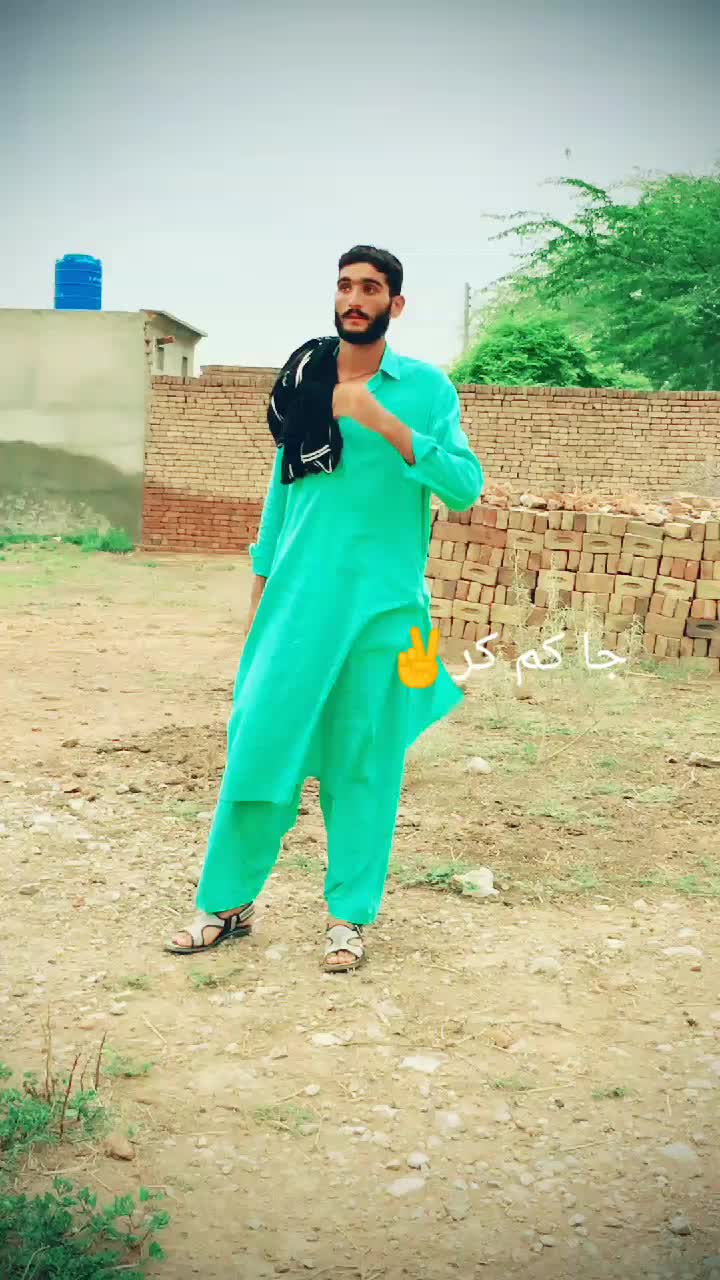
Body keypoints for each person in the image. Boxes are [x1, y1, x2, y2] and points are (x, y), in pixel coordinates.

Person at [165, 245, 484, 973]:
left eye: (370, 288)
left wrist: (381, 420)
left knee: (365, 766)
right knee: (258, 748)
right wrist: (259, 597)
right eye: (345, 286)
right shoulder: (306, 380)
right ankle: (226, 905)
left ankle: (348, 919)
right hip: (297, 608)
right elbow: (281, 495)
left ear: (395, 305)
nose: (354, 298)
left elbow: (465, 486)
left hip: (388, 614)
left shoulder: (426, 389)